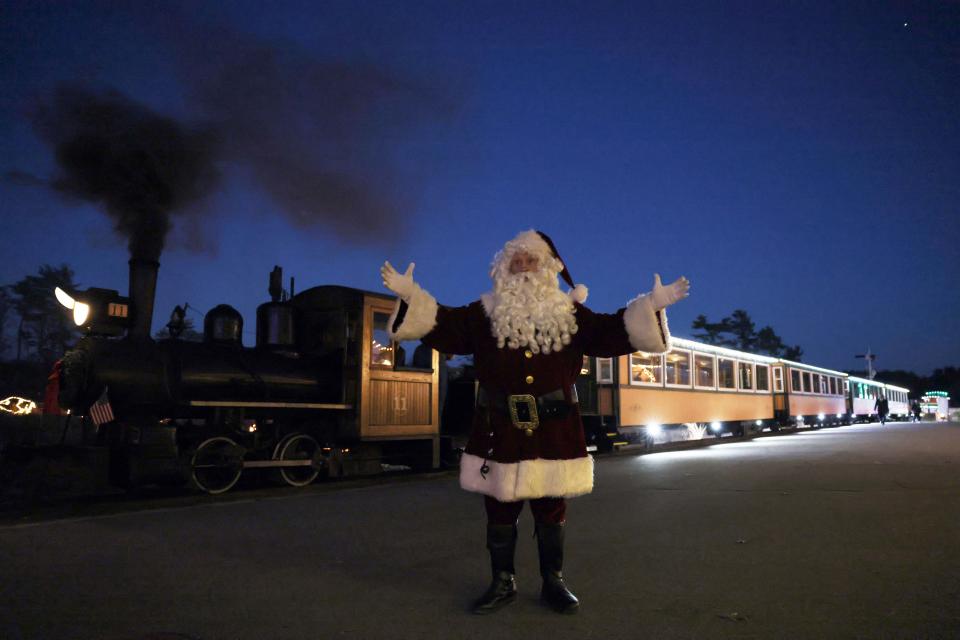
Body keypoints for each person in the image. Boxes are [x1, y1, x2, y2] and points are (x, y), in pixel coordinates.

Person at [380, 229, 690, 614]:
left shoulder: (570, 314)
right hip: (499, 428)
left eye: (531, 260)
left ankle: (553, 582)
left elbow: (610, 333)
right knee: (498, 509)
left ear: (548, 268)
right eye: (516, 260)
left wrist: (651, 305)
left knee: (551, 509)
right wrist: (411, 296)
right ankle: (502, 582)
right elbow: (443, 326)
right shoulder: (483, 314)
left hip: (554, 429)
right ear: (503, 268)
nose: (523, 267)